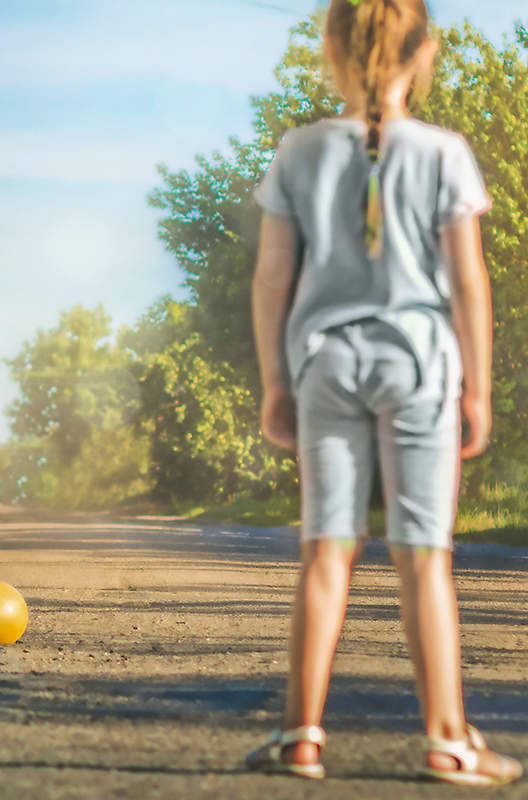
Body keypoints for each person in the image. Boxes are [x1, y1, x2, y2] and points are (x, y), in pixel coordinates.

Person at [244, 0, 522, 785]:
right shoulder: (444, 153)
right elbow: (468, 281)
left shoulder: (297, 150)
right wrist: (477, 387)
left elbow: (273, 278)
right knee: (424, 557)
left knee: (325, 549)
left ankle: (301, 736)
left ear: (329, 49)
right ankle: (446, 741)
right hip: (420, 365)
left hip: (325, 365)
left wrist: (276, 381)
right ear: (424, 53)